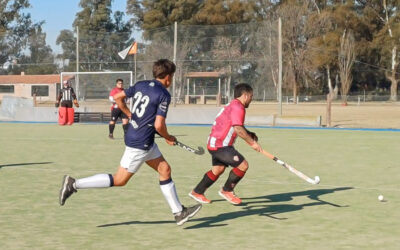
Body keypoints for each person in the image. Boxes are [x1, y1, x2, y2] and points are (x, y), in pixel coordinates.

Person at [59, 59, 202, 226]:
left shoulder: (141, 84)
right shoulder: (164, 95)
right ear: (168, 77)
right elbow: (159, 125)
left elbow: (117, 97)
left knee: (165, 169)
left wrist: (129, 114)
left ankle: (179, 212)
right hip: (140, 143)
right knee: (120, 180)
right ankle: (74, 184)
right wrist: (169, 137)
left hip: (143, 140)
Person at [189, 83, 262, 205]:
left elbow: (235, 124)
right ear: (245, 95)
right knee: (243, 165)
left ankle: (197, 191)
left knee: (218, 169)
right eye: (251, 96)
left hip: (214, 143)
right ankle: (227, 190)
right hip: (221, 145)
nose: (251, 99)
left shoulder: (233, 105)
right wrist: (252, 143)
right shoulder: (239, 107)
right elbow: (238, 128)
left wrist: (249, 133)